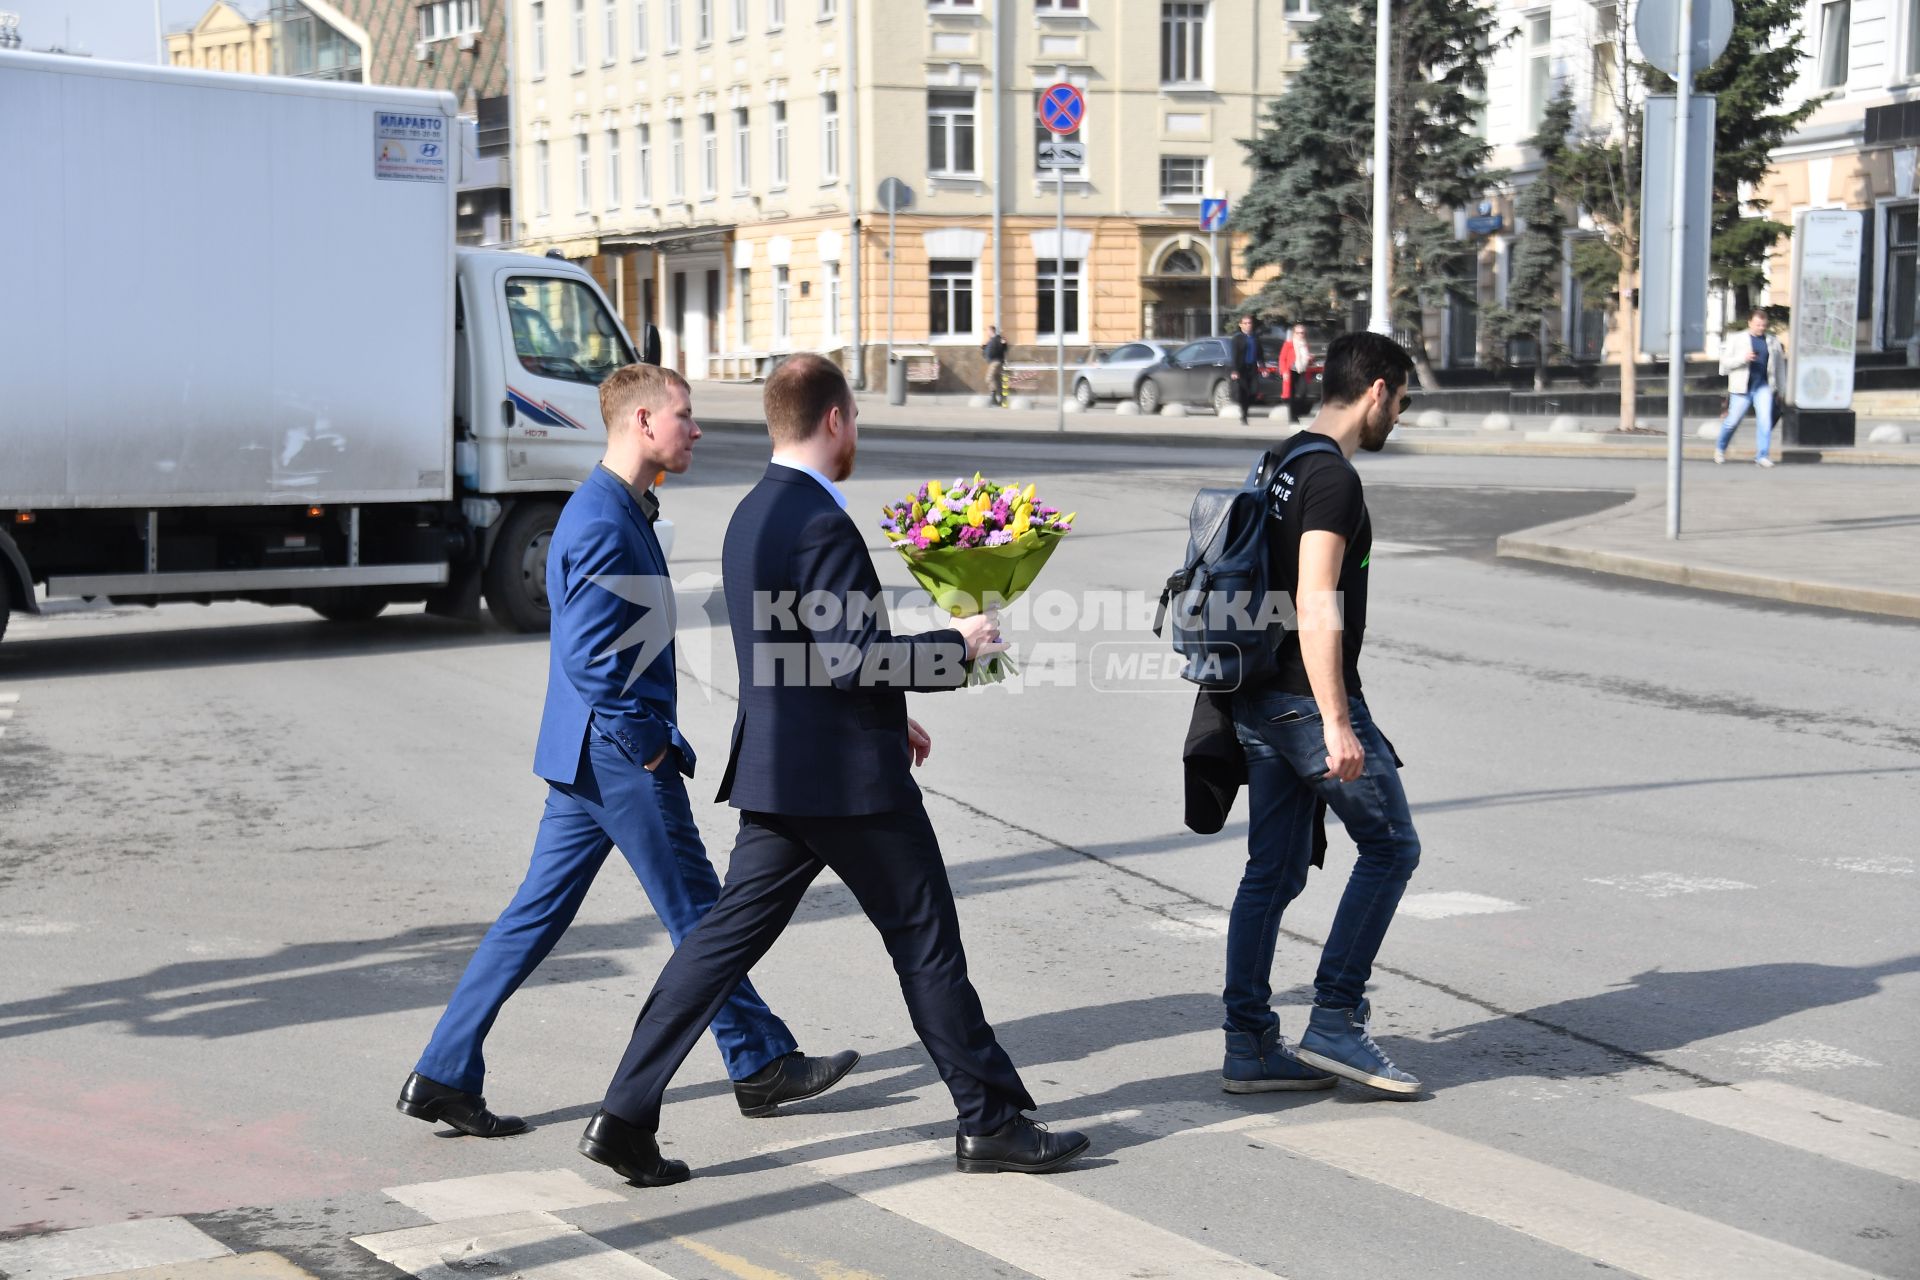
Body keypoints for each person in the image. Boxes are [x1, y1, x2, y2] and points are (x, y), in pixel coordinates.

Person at [577, 353, 1090, 1186]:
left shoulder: (753, 512)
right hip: (848, 784)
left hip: (782, 769)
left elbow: (801, 656)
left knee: (714, 948)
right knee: (927, 946)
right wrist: (950, 650)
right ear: (838, 420)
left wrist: (897, 710)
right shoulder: (819, 521)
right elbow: (852, 659)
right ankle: (991, 1122)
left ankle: (623, 1115)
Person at [398, 364, 857, 1138]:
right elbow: (590, 657)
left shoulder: (617, 506)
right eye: (684, 415)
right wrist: (648, 746)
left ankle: (442, 1072)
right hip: (617, 754)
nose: (696, 428)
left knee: (533, 918)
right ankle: (761, 1061)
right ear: (643, 423)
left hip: (582, 753)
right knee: (705, 917)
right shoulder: (605, 518)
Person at [1217, 331, 1425, 1097]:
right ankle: (1335, 1017)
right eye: (1400, 401)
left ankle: (1249, 1044)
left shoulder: (1281, 459)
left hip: (1256, 692)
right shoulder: (1333, 480)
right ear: (1376, 389)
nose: (1399, 417)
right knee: (1391, 846)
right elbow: (1315, 598)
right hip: (1306, 699)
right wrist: (1338, 722)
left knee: (1269, 872)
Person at [1716, 308, 1787, 467]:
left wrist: (1781, 390)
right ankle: (1720, 449)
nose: (1761, 328)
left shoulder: (1772, 341)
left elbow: (1780, 367)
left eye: (1763, 325)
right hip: (1742, 387)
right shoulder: (1736, 339)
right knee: (1732, 421)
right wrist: (1744, 358)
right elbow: (1725, 364)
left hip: (1763, 386)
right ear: (1750, 323)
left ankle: (1762, 455)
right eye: (1757, 325)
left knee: (1764, 420)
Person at [1229, 314, 1262, 426]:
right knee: (1244, 392)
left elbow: (1260, 354)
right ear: (1241, 325)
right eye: (1245, 323)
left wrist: (1263, 366)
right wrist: (1234, 370)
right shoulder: (1237, 338)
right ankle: (1244, 416)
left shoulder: (1255, 337)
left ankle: (1246, 408)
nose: (1248, 325)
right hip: (1241, 368)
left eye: (1250, 323)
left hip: (1252, 367)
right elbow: (1234, 355)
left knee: (1253, 391)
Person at [1278, 324, 1314, 424]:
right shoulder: (1288, 344)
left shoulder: (1305, 344)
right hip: (1290, 372)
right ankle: (1293, 417)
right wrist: (1284, 371)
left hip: (1301, 371)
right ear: (1294, 333)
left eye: (1302, 333)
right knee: (1291, 395)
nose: (1300, 335)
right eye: (1298, 333)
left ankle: (1297, 412)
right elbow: (1282, 358)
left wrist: (1310, 359)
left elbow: (1307, 360)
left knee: (1303, 392)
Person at [982, 326, 1009, 407]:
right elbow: (987, 351)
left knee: (988, 378)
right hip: (994, 362)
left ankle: (994, 397)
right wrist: (984, 348)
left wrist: (1004, 344)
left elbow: (1003, 348)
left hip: (996, 362)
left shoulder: (997, 339)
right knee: (997, 380)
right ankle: (1002, 399)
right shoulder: (991, 340)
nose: (987, 333)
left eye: (988, 331)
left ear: (991, 331)